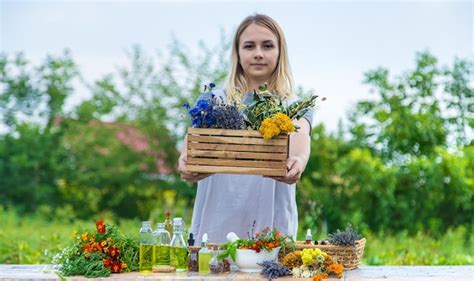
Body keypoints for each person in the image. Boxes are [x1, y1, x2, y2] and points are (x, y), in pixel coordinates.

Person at [177, 14, 313, 243]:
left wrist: (297, 162)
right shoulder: (213, 101)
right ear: (238, 53)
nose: (258, 53)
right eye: (249, 46)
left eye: (267, 45)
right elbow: (188, 154)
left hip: (270, 230)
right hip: (214, 228)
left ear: (280, 52)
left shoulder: (293, 106)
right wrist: (187, 166)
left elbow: (300, 143)